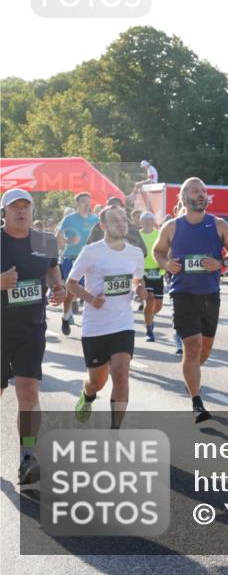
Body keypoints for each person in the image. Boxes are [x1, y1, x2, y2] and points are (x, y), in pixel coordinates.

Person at [153, 177, 228, 423]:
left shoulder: (219, 225)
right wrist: (166, 264)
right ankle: (196, 401)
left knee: (203, 351)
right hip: (182, 294)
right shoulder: (172, 227)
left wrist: (220, 263)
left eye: (203, 191)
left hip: (210, 295)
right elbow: (158, 251)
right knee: (191, 347)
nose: (202, 194)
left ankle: (191, 378)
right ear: (184, 197)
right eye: (195, 191)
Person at [2, 189, 65, 485]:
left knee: (29, 392)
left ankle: (28, 456)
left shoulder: (44, 241)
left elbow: (53, 270)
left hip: (32, 329)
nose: (21, 211)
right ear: (4, 212)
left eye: (26, 206)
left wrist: (58, 288)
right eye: (15, 206)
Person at [66, 206, 145, 429]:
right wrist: (91, 299)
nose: (121, 224)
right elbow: (70, 284)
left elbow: (137, 279)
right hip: (95, 326)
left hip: (123, 322)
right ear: (103, 226)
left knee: (120, 373)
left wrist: (140, 290)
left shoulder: (135, 253)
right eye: (114, 221)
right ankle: (87, 395)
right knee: (97, 382)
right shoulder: (91, 251)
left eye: (123, 220)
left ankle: (115, 430)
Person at [55, 192, 99, 335]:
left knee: (91, 291)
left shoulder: (95, 219)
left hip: (91, 260)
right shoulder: (69, 219)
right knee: (71, 293)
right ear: (77, 204)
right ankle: (66, 316)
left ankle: (91, 323)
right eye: (83, 201)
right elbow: (58, 238)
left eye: (88, 201)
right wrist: (69, 241)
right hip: (72, 257)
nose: (87, 204)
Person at [138, 212, 165, 341]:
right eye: (145, 220)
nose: (148, 222)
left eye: (150, 220)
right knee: (149, 299)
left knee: (158, 305)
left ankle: (150, 316)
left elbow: (165, 250)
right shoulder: (137, 236)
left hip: (157, 271)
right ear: (141, 222)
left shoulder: (159, 234)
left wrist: (164, 263)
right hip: (143, 272)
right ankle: (149, 331)